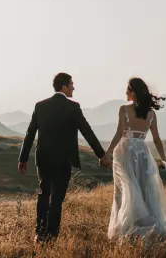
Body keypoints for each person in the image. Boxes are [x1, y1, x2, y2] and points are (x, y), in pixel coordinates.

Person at [17, 72, 110, 244]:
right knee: (57, 198)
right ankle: (51, 236)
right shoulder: (72, 107)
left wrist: (23, 158)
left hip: (43, 159)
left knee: (44, 193)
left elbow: (30, 133)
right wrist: (101, 155)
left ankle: (39, 233)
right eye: (71, 84)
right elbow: (87, 131)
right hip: (63, 160)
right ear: (64, 87)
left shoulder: (40, 106)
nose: (74, 87)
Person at [105, 77, 166, 242]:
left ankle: (127, 228)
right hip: (142, 153)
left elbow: (119, 133)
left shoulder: (124, 110)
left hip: (125, 152)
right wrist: (164, 160)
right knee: (143, 189)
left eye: (127, 89)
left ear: (133, 92)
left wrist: (108, 153)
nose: (125, 92)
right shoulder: (151, 114)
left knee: (125, 189)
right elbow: (156, 139)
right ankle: (146, 227)